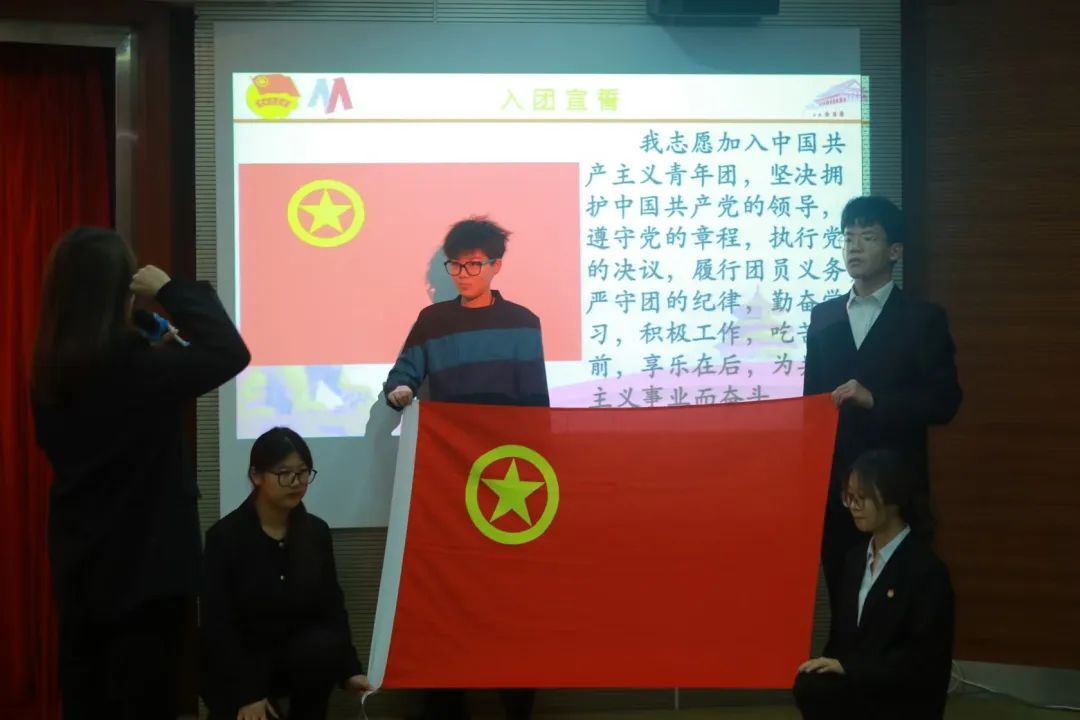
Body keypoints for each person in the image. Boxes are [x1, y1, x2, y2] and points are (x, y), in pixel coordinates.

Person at [31, 227, 251, 719]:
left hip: (82, 564)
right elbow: (229, 353)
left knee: (88, 696)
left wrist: (155, 342)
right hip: (148, 568)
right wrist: (170, 290)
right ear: (120, 291)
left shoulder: (50, 369)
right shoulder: (139, 371)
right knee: (146, 698)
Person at [384, 216, 547, 720]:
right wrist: (400, 390)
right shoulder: (433, 321)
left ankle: (516, 701)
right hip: (453, 478)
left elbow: (536, 404)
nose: (463, 274)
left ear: (496, 266)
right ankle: (446, 700)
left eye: (474, 265)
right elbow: (403, 373)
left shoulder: (524, 322)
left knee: (511, 598)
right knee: (450, 592)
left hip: (511, 480)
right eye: (456, 265)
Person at [803, 196, 962, 618]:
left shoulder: (922, 319)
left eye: (868, 237)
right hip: (839, 491)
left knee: (897, 607)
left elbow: (945, 402)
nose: (854, 247)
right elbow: (810, 404)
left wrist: (876, 400)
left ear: (895, 251)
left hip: (896, 488)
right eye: (847, 238)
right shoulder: (824, 318)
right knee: (843, 603)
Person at [202, 427, 370, 720]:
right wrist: (247, 694)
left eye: (302, 473)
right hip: (241, 663)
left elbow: (331, 609)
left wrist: (349, 670)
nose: (295, 482)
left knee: (321, 647)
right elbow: (219, 626)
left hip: (296, 660)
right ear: (256, 475)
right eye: (284, 473)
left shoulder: (315, 532)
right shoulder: (225, 537)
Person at [794, 449, 955, 720]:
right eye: (849, 497)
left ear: (893, 497)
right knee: (810, 684)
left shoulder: (926, 570)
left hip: (900, 693)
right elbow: (840, 638)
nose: (854, 506)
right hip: (858, 685)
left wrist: (851, 669)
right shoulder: (854, 560)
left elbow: (922, 660)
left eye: (862, 497)